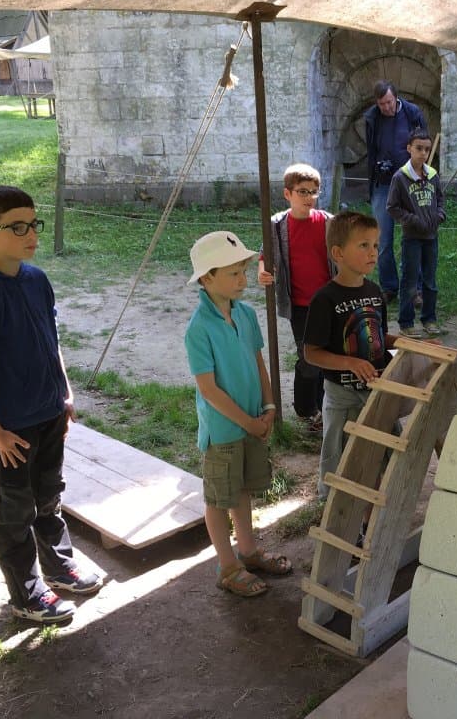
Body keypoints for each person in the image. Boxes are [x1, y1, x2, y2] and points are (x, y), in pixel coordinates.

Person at [0, 185, 103, 624]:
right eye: (17, 227)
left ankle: (59, 568)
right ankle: (26, 592)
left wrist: (65, 393)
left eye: (33, 224)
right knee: (15, 512)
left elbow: (51, 341)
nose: (30, 234)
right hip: (12, 429)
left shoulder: (37, 279)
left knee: (49, 497)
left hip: (50, 413)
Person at [185, 230, 292, 598]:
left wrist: (269, 408)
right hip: (224, 430)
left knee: (243, 489)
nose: (242, 280)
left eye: (243, 271)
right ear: (206, 278)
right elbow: (208, 389)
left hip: (254, 421)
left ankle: (247, 552)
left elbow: (260, 364)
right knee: (219, 499)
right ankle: (227, 566)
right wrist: (248, 422)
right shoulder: (198, 329)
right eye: (232, 273)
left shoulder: (245, 314)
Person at [304, 211, 398, 499]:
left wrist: (408, 342)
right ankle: (341, 514)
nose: (373, 252)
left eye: (375, 245)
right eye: (363, 245)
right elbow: (311, 353)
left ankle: (370, 521)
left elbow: (380, 336)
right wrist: (350, 363)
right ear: (338, 253)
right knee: (342, 461)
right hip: (342, 396)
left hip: (376, 390)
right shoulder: (325, 299)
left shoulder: (374, 291)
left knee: (380, 457)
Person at [258, 163, 335, 432]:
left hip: (329, 302)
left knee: (331, 355)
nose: (309, 197)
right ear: (287, 194)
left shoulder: (328, 222)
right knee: (309, 357)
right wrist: (263, 271)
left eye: (314, 192)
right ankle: (306, 409)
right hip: (300, 305)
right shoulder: (277, 225)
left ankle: (327, 409)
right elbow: (265, 254)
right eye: (303, 191)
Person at [363, 80, 427, 303]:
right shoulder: (372, 118)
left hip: (409, 182)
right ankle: (389, 287)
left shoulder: (412, 113)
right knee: (382, 239)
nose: (386, 108)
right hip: (382, 184)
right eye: (382, 104)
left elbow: (423, 145)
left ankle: (415, 289)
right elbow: (371, 151)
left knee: (412, 236)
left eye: (389, 102)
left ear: (396, 98)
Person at [386, 128, 445, 338]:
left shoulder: (432, 175)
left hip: (431, 237)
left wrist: (439, 216)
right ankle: (406, 322)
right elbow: (392, 207)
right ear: (409, 148)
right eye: (419, 148)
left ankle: (429, 319)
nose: (423, 153)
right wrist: (413, 220)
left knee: (430, 281)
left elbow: (440, 199)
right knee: (410, 281)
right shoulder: (400, 178)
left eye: (427, 149)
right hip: (412, 237)